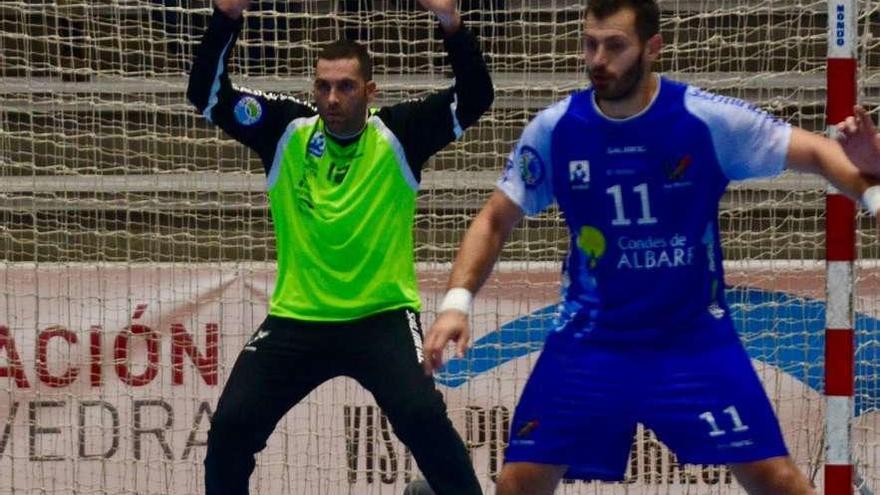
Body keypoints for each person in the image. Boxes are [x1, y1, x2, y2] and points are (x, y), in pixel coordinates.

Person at [421, 1, 880, 494]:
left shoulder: (703, 119)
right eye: (590, 43)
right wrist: (455, 303)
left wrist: (872, 187)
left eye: (615, 45)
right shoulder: (557, 129)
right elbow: (494, 218)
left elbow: (815, 150)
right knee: (518, 483)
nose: (598, 59)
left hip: (693, 342)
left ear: (652, 47)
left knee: (778, 481)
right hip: (590, 343)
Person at [186, 0, 493, 493]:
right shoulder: (285, 129)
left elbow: (476, 95)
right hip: (297, 319)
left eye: (346, 86)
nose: (332, 97)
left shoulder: (400, 134)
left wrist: (451, 25)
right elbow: (205, 93)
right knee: (230, 427)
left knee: (421, 416)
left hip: (382, 316)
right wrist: (225, 17)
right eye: (324, 86)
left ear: (369, 91)